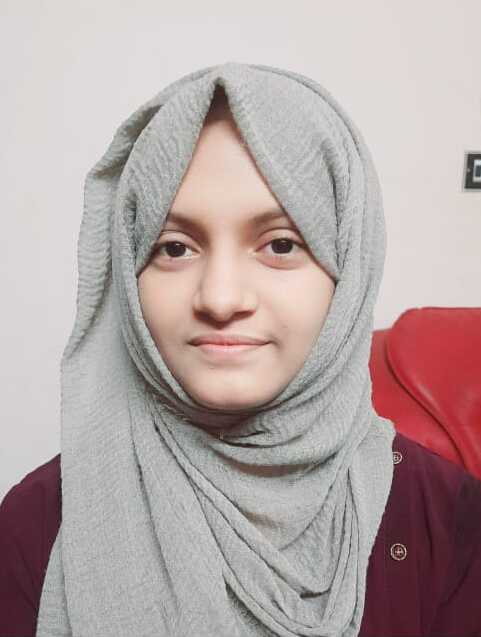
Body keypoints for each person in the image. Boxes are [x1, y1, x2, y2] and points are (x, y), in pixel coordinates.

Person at [1, 62, 480, 637]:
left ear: (348, 272)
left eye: (280, 244)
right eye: (174, 248)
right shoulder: (34, 526)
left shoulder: (450, 523)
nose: (220, 298)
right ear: (127, 276)